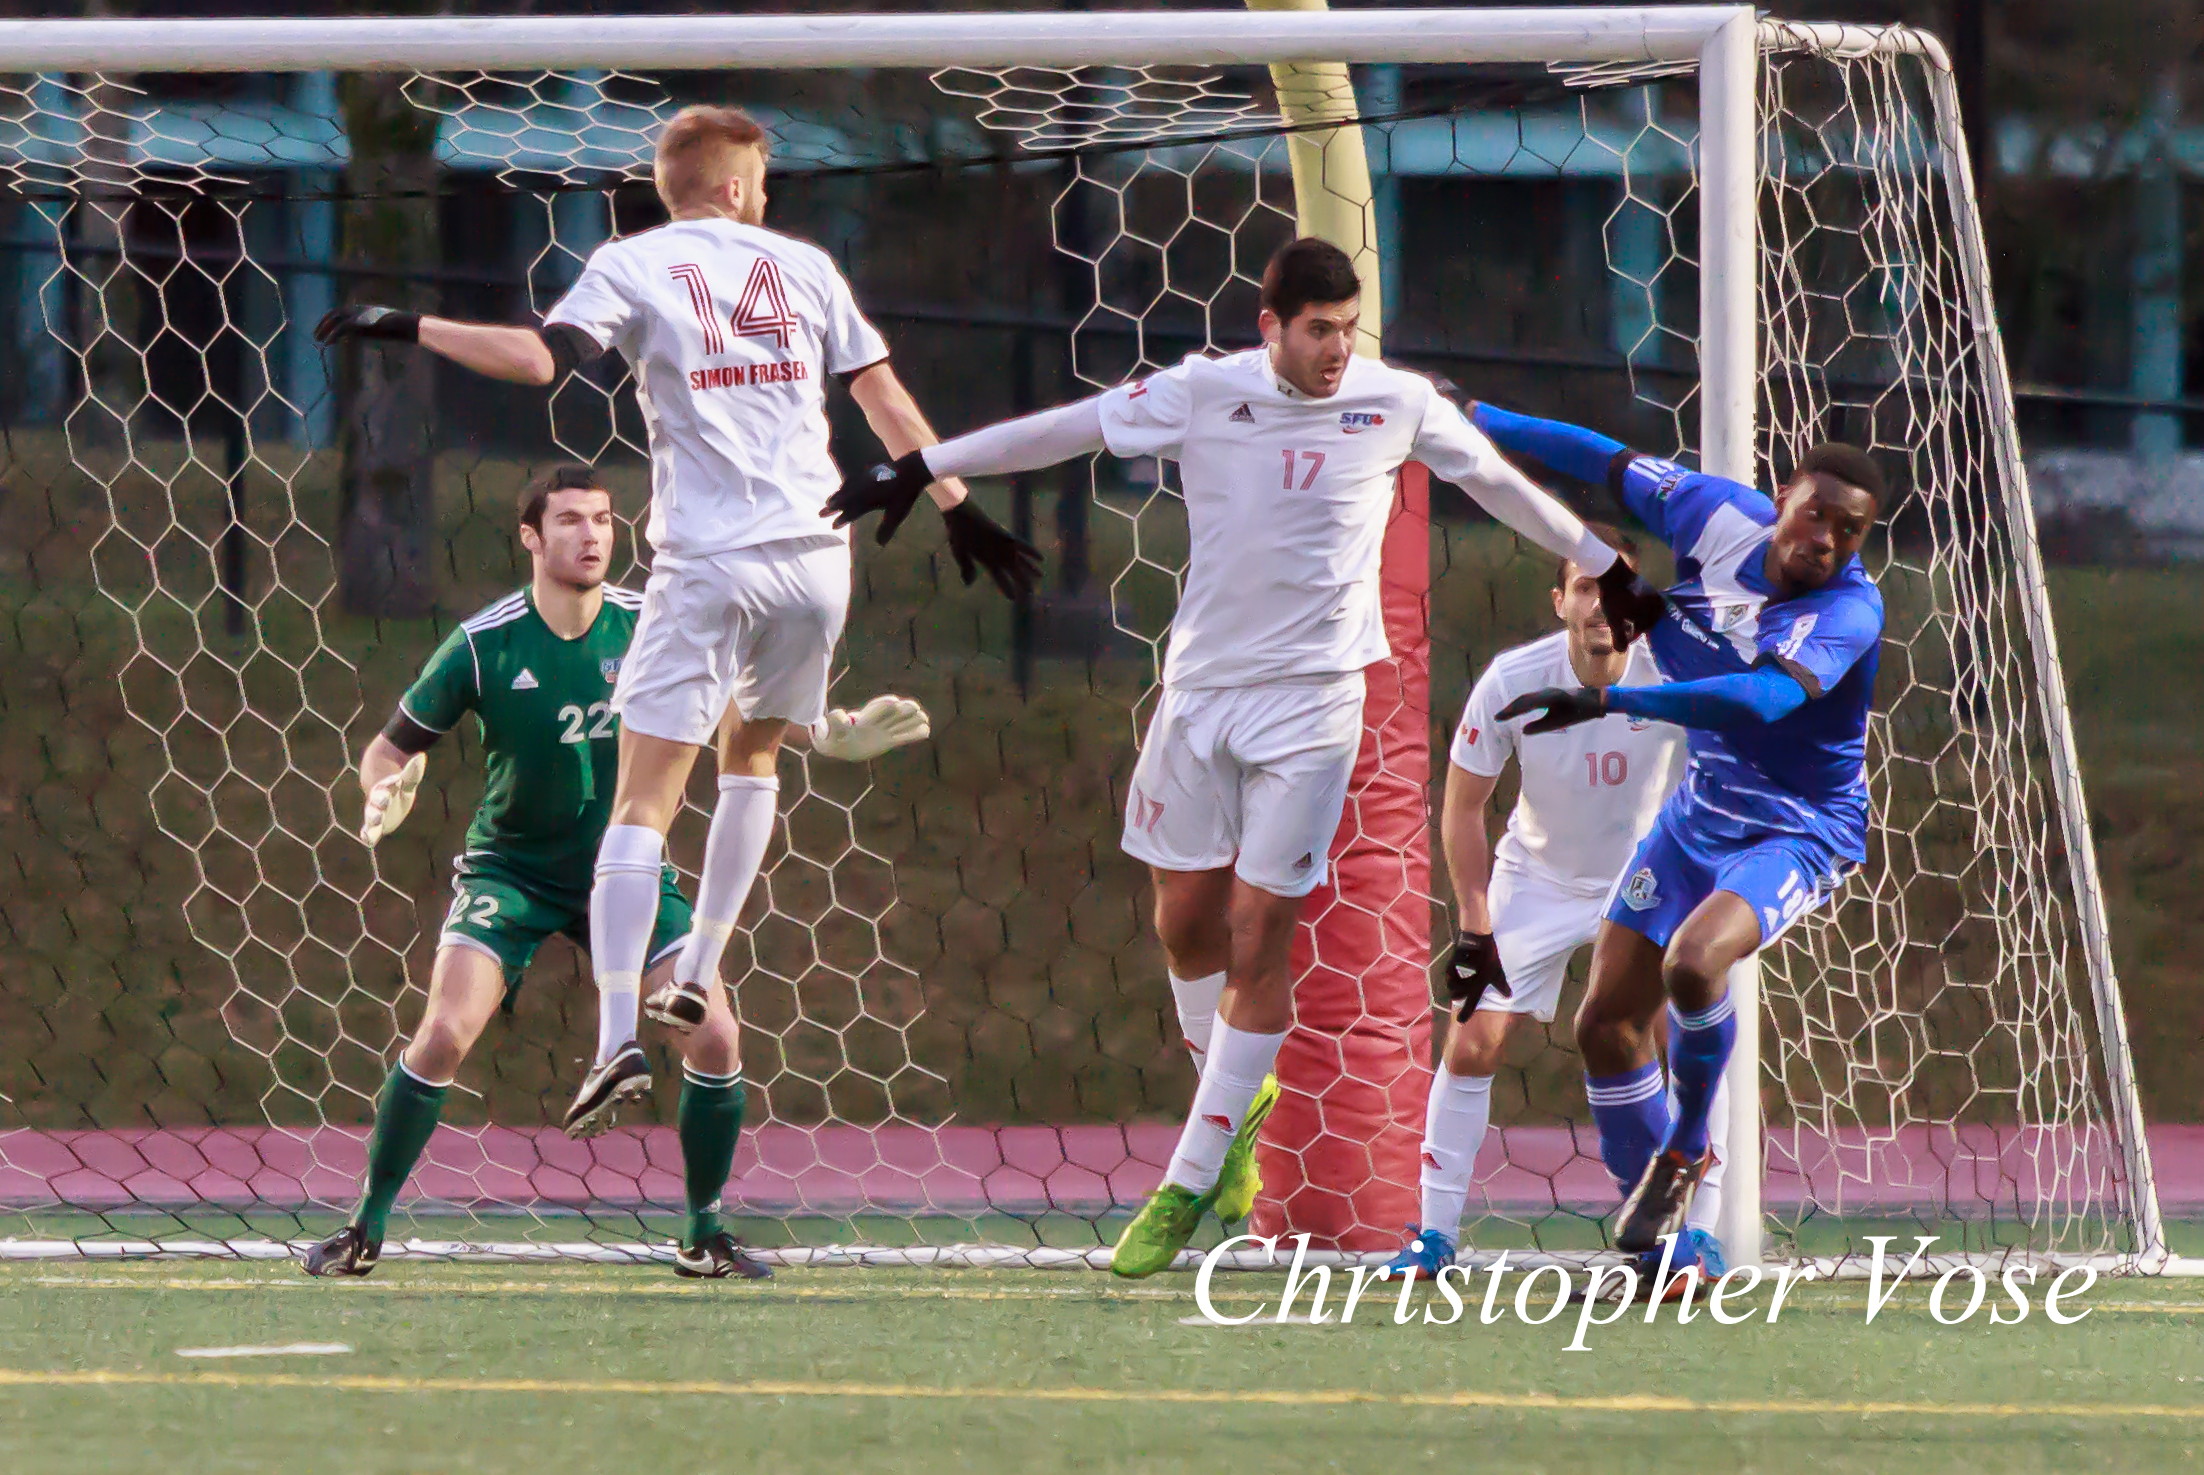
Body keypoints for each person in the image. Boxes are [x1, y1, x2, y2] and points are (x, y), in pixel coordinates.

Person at [823, 237, 1660, 1279]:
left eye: (1347, 329)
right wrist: (924, 463)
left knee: (1261, 934)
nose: (1335, 349)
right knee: (1184, 924)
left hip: (1312, 709)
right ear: (1269, 326)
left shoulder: (1391, 400)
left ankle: (1191, 1172)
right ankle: (1233, 1094)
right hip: (1199, 697)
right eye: (1317, 330)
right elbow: (1065, 430)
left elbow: (1490, 479)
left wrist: (1598, 558)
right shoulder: (1201, 392)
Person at [315, 105, 1038, 1142]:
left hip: (702, 561)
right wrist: (959, 505)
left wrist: (405, 324)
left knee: (641, 805)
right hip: (814, 552)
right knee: (755, 760)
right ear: (743, 186)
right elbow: (884, 403)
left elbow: (534, 361)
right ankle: (695, 971)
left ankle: (615, 1037)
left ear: (672, 185)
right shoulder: (807, 268)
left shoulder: (634, 262)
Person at [299, 465, 930, 1280]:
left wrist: (824, 730)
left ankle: (704, 1234)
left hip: (627, 871)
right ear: (530, 536)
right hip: (512, 873)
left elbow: (742, 708)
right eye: (568, 520)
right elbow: (390, 745)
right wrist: (383, 785)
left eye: (602, 518)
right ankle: (365, 1226)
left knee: (714, 1032)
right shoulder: (484, 643)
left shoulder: (649, 625)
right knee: (445, 1033)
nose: (591, 534)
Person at [1468, 402, 1886, 1256]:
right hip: (1698, 815)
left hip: (1798, 828)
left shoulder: (1850, 610)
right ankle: (1667, 1254)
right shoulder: (1715, 512)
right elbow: (1597, 452)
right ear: (1783, 498)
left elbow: (1762, 702)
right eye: (1817, 516)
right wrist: (1473, 415)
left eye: (1851, 531)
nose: (1829, 542)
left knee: (1694, 963)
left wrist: (1611, 697)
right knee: (1603, 1026)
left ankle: (1689, 1142)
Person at [1373, 527, 1728, 1288]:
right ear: (1560, 599)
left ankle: (1697, 1237)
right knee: (1472, 1042)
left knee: (1679, 1040)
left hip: (1644, 880)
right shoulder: (1512, 680)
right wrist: (1474, 919)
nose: (1603, 607)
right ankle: (1433, 1236)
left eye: (1619, 588)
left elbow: (1721, 778)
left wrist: (1701, 876)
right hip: (1534, 879)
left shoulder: (1676, 676)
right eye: (1588, 588)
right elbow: (1463, 807)